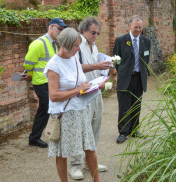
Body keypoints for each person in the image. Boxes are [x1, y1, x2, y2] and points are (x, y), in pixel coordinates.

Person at [44, 27, 101, 182]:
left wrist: (92, 85)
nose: (78, 49)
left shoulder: (74, 58)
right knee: (62, 153)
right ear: (66, 45)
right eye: (76, 46)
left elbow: (80, 82)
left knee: (89, 147)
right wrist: (78, 90)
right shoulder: (53, 65)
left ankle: (97, 180)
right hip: (64, 115)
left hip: (80, 110)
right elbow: (54, 96)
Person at [68, 17, 111, 180]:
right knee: (80, 129)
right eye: (93, 32)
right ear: (83, 30)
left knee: (95, 127)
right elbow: (74, 67)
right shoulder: (77, 45)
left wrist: (104, 73)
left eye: (98, 33)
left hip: (96, 92)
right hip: (81, 94)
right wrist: (97, 66)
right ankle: (75, 165)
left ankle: (89, 161)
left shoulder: (94, 46)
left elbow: (95, 68)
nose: (95, 36)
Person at [23, 18, 67, 148]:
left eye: (62, 29)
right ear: (52, 27)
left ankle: (35, 137)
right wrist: (30, 74)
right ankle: (35, 137)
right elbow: (28, 63)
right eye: (59, 28)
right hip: (41, 82)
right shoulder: (39, 43)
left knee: (45, 108)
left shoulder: (52, 43)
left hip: (49, 81)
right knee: (47, 107)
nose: (61, 31)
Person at [113, 15, 151, 144]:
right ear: (129, 26)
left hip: (139, 78)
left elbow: (146, 59)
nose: (138, 29)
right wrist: (124, 72)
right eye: (136, 27)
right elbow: (116, 60)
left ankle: (134, 130)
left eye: (140, 27)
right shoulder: (120, 40)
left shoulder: (146, 41)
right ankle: (123, 132)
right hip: (125, 78)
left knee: (136, 105)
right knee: (124, 106)